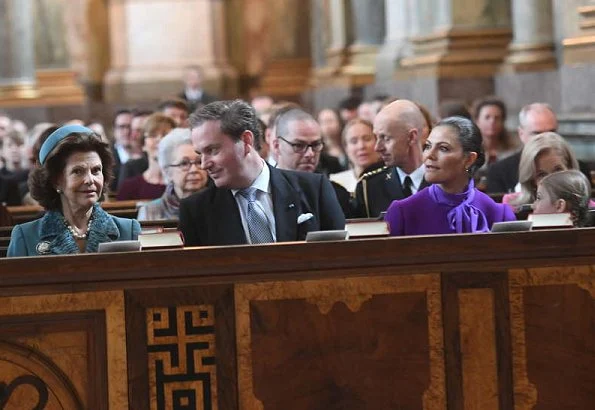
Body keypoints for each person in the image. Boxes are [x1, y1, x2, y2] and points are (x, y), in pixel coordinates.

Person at [178, 100, 345, 246]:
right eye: (201, 153)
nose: (204, 164)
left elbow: (339, 258)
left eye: (212, 150)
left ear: (246, 141)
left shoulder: (314, 189)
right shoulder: (196, 211)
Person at [7, 124, 141, 256]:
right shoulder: (25, 237)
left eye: (96, 171)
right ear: (55, 181)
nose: (90, 180)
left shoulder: (128, 230)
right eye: (78, 171)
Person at [385, 116, 516, 236]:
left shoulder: (499, 214)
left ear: (469, 159)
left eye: (443, 148)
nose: (429, 155)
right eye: (428, 146)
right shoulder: (403, 212)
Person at [353, 99, 429, 218]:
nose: (378, 147)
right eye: (376, 138)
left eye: (386, 138)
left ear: (411, 137)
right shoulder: (369, 187)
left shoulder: (447, 181)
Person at [273, 108, 352, 217]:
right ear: (277, 146)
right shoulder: (263, 194)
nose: (310, 153)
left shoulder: (337, 194)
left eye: (315, 145)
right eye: (299, 145)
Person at [487, 103, 558, 193]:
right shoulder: (499, 172)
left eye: (551, 133)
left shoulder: (577, 169)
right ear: (521, 134)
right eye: (537, 134)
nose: (545, 139)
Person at [138, 128, 208, 220]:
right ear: (167, 171)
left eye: (199, 162)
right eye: (184, 163)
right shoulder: (150, 212)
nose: (194, 169)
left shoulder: (220, 205)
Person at [504, 132, 580, 209]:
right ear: (531, 181)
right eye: (542, 175)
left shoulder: (586, 206)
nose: (552, 181)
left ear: (570, 169)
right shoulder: (512, 205)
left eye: (558, 170)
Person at [117, 113, 175, 200]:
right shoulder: (129, 187)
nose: (159, 139)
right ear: (143, 144)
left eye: (165, 135)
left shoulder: (183, 184)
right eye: (153, 135)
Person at [329, 119, 382, 194]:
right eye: (354, 141)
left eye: (367, 139)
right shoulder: (336, 183)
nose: (361, 146)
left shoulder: (392, 177)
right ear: (346, 148)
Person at [472, 97, 519, 164]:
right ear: (477, 120)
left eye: (497, 118)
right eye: (487, 117)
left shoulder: (514, 151)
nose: (492, 121)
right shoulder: (470, 151)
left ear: (503, 121)